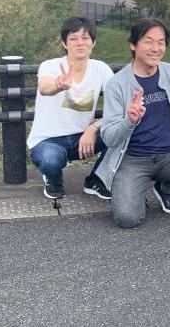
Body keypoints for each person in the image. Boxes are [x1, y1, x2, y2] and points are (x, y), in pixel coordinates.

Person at [97, 18, 170, 228]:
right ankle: (134, 190)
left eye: (161, 42)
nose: (156, 48)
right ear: (133, 45)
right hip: (133, 159)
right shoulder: (117, 84)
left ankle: (166, 188)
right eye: (148, 42)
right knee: (127, 218)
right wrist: (129, 121)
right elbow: (109, 137)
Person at [27, 16, 113, 200]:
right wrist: (59, 85)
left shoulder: (101, 69)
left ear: (93, 42)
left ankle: (96, 180)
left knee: (123, 133)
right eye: (73, 38)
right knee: (52, 159)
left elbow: (120, 106)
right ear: (64, 43)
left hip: (83, 139)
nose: (80, 43)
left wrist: (93, 128)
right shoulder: (50, 66)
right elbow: (45, 87)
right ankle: (54, 181)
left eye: (85, 38)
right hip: (48, 141)